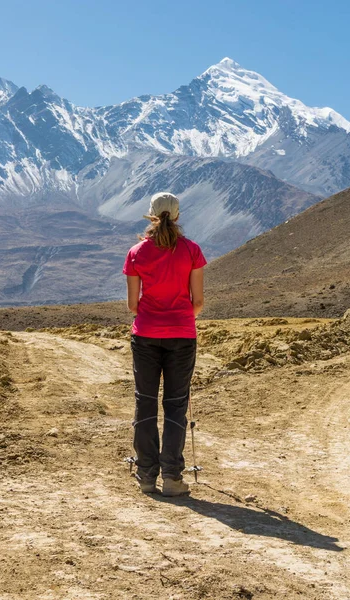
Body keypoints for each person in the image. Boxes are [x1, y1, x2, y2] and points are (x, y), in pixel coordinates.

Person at [122, 192, 206, 496]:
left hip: (145, 335)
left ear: (151, 215)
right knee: (175, 405)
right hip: (182, 336)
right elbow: (198, 301)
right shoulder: (192, 250)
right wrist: (181, 317)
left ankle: (146, 476)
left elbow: (133, 304)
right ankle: (172, 477)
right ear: (178, 215)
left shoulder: (136, 253)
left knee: (145, 401)